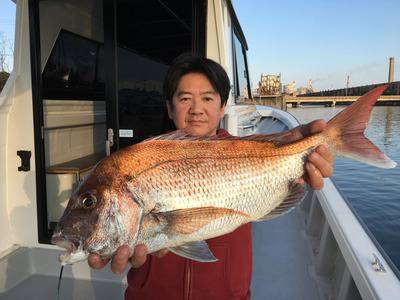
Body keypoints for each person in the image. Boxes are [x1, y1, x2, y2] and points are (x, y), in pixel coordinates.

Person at [89, 54, 334, 299]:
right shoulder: (144, 158)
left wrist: (306, 163)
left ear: (222, 106)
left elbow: (281, 160)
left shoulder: (247, 151)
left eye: (207, 98)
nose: (196, 109)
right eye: (185, 98)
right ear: (170, 107)